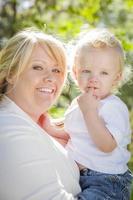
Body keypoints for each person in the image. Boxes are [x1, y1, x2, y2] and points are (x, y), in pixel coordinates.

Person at [43, 29, 133, 199]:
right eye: (86, 71)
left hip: (106, 180)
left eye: (104, 73)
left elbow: (107, 145)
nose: (94, 78)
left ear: (116, 78)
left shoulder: (113, 107)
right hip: (80, 177)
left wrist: (90, 112)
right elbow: (75, 133)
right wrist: (49, 128)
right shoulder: (80, 103)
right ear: (75, 74)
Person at [0, 27, 82, 200]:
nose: (50, 78)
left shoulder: (37, 126)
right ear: (11, 74)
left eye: (57, 70)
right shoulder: (9, 128)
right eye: (38, 67)